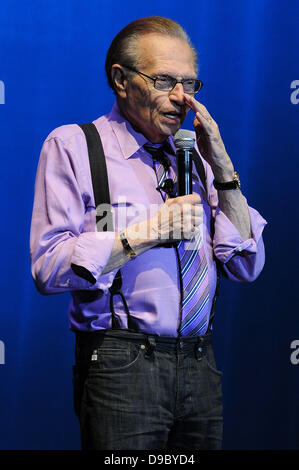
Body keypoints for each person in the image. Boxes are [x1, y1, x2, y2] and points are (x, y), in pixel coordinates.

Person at [30, 16, 267, 450]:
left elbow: (245, 264)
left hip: (200, 361)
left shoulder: (195, 157)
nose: (181, 98)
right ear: (121, 81)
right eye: (164, 81)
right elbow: (47, 268)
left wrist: (225, 170)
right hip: (122, 363)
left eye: (190, 84)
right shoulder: (74, 147)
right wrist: (145, 234)